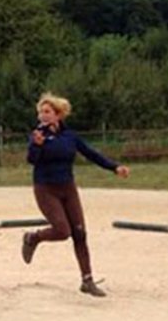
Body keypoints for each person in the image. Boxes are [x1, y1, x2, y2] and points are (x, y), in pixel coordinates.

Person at [21, 92, 130, 297]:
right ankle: (33, 238)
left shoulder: (70, 136)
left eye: (47, 112)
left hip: (68, 188)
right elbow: (32, 160)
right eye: (40, 112)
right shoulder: (38, 135)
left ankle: (87, 280)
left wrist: (114, 168)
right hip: (46, 188)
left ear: (58, 114)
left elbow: (91, 153)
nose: (42, 116)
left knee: (79, 233)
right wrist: (36, 145)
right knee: (62, 231)